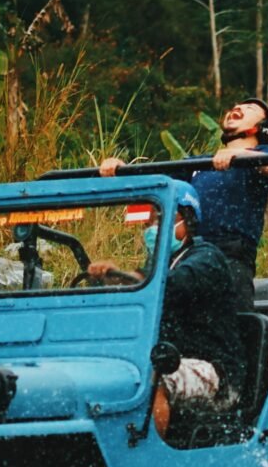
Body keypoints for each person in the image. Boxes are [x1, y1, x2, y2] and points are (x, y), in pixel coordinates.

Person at [100, 99, 268, 310]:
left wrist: (238, 155)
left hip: (230, 258)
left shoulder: (264, 155)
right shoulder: (200, 164)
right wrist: (122, 171)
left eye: (249, 109)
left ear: (264, 127)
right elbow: (156, 182)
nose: (238, 108)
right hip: (187, 252)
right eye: (236, 106)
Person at [87, 184, 242, 430]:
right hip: (164, 359)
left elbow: (171, 285)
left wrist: (124, 277)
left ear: (187, 222)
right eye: (149, 222)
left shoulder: (206, 258)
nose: (153, 228)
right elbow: (137, 283)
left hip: (214, 371)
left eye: (161, 219)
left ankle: (144, 459)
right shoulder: (157, 266)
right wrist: (107, 278)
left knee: (151, 381)